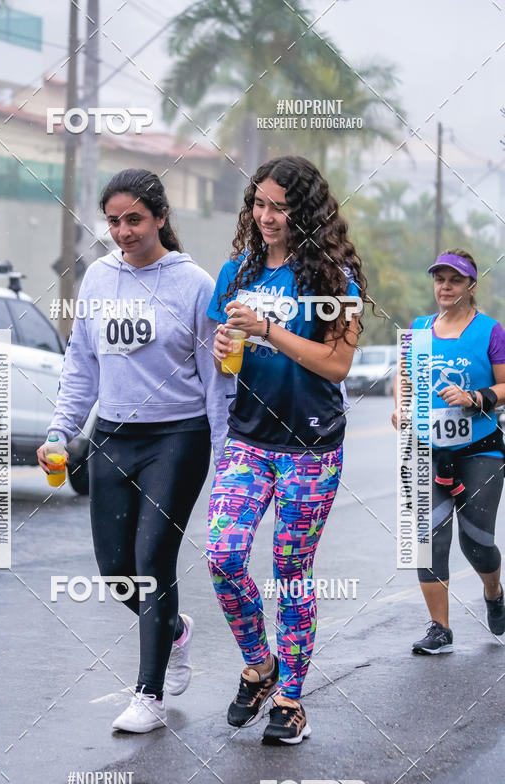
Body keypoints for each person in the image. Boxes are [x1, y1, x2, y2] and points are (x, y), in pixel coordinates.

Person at [37, 169, 231, 733]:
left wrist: (223, 460)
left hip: (178, 436)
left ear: (161, 218)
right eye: (115, 221)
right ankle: (174, 630)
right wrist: (59, 432)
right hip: (113, 436)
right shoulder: (98, 277)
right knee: (115, 570)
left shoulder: (194, 284)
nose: (123, 231)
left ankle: (148, 695)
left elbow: (216, 380)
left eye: (135, 220)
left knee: (151, 562)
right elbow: (82, 363)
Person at [205, 156, 368, 745]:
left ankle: (292, 702)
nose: (267, 216)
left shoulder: (334, 281)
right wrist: (229, 340)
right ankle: (260, 664)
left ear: (304, 211)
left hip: (312, 448)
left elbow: (337, 363)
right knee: (223, 557)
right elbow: (224, 351)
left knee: (290, 574)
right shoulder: (236, 272)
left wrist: (267, 329)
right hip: (248, 440)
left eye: (280, 206)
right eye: (259, 204)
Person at [392, 249, 505, 655]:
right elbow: (402, 376)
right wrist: (402, 407)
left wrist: (474, 396)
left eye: (454, 280)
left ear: (471, 286)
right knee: (428, 539)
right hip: (427, 450)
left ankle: (493, 592)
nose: (445, 286)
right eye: (439, 279)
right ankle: (440, 629)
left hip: (480, 450)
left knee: (475, 540)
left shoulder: (490, 331)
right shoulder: (418, 331)